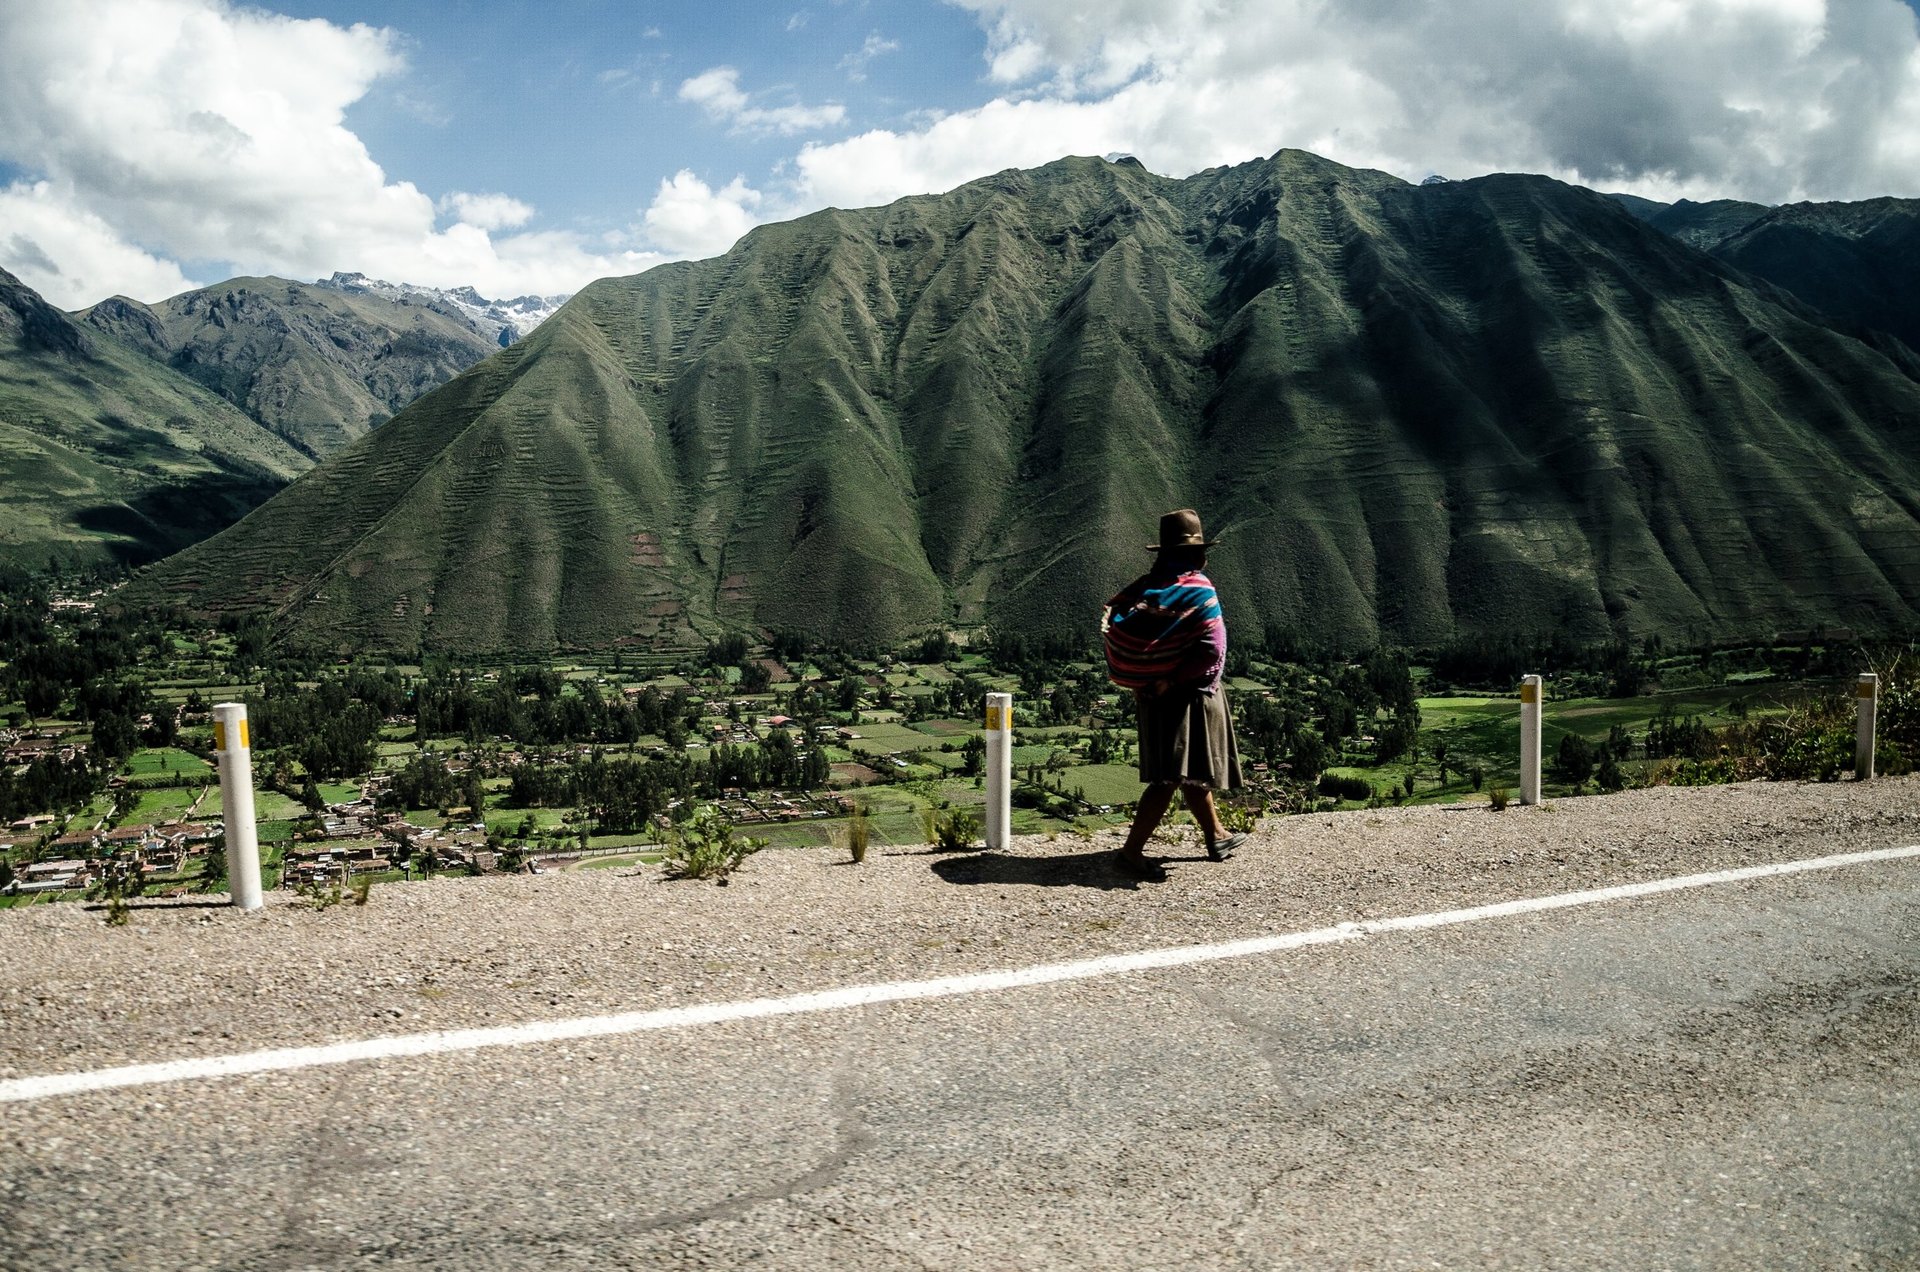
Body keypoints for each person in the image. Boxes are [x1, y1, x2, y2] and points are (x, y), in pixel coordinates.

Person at [1102, 508, 1247, 879]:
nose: (1204, 556)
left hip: (1151, 695)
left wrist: (1145, 679)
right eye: (1200, 548)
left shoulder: (1144, 589)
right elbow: (1213, 649)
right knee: (1169, 776)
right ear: (1194, 552)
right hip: (1187, 697)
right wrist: (1174, 679)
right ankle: (1131, 853)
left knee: (1188, 769)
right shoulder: (1198, 588)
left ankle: (1216, 835)